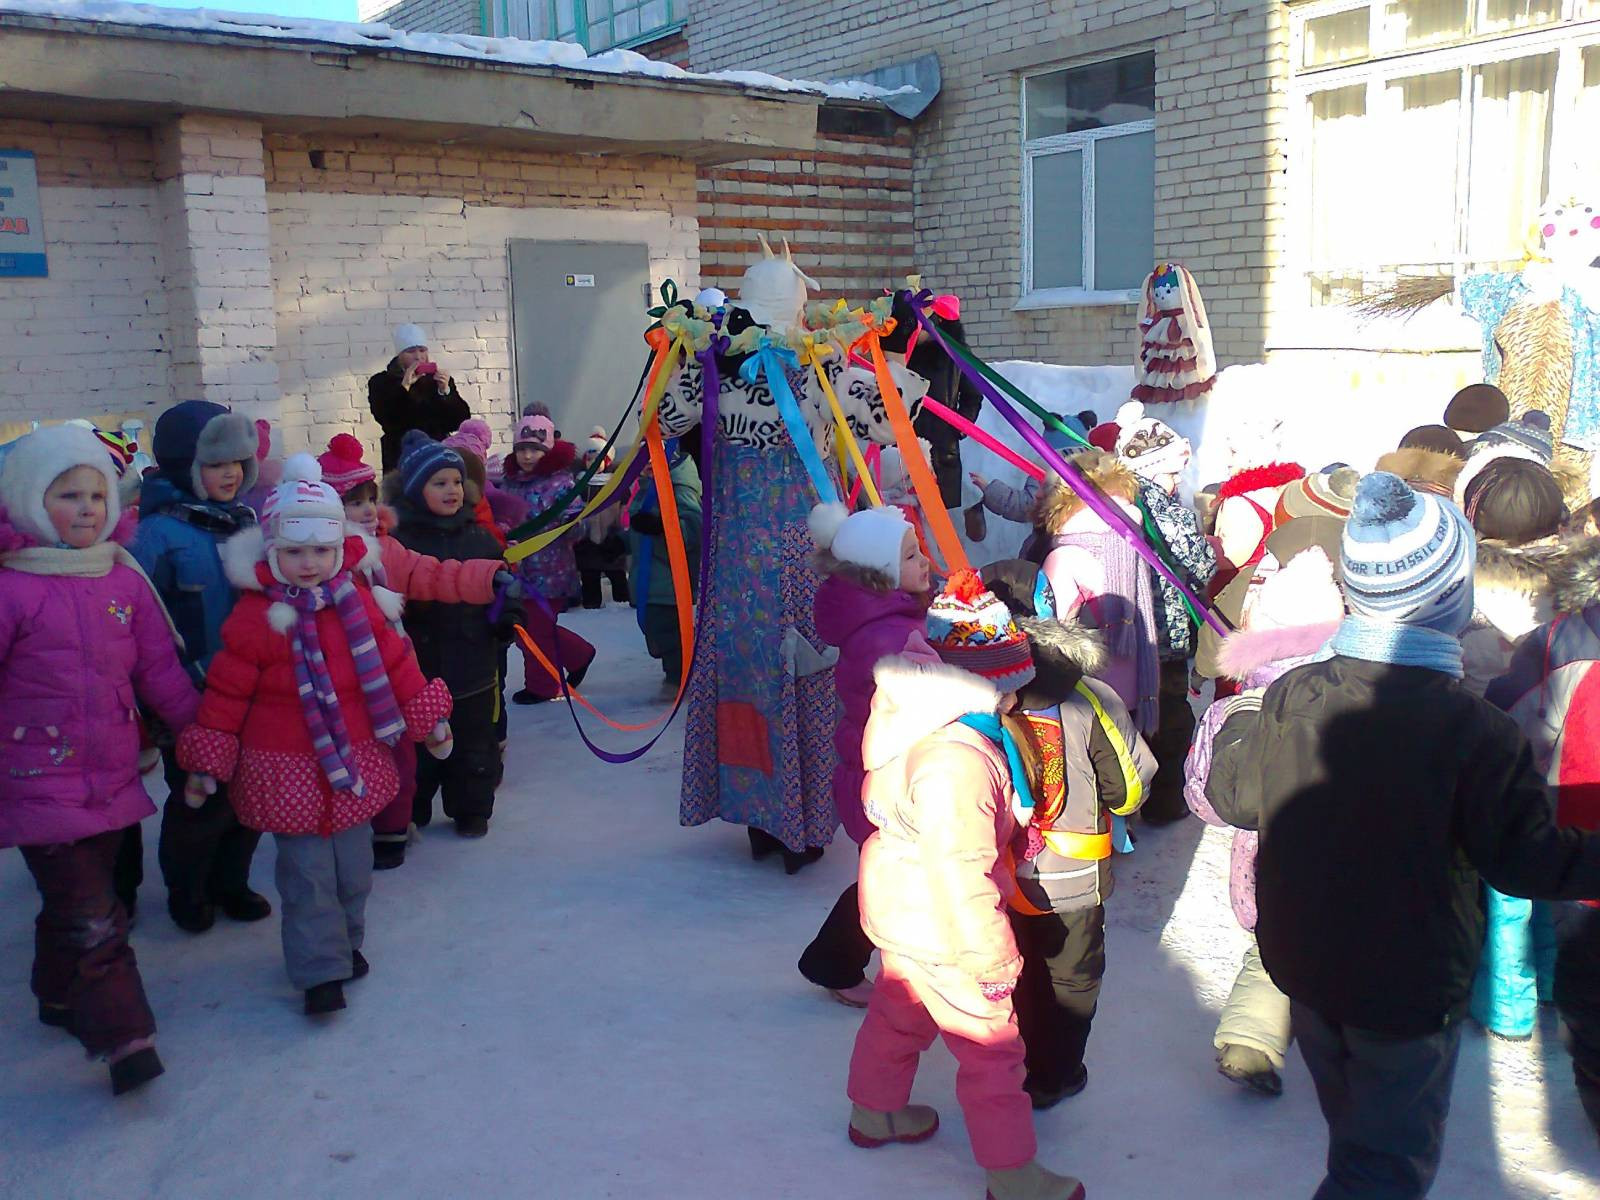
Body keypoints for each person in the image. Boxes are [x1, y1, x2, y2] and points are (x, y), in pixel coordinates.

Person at [1206, 472, 1600, 1200]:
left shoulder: (1295, 694)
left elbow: (1234, 792)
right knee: (1383, 1167)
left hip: (1309, 969)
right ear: (1454, 605)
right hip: (1408, 992)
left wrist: (1238, 725)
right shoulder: (1474, 730)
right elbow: (1525, 859)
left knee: (1357, 1128)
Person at [654, 242, 928, 870]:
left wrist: (681, 353)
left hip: (737, 558)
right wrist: (893, 352)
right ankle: (802, 817)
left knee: (750, 669)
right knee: (806, 672)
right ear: (801, 307)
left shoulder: (711, 368)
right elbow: (895, 421)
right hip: (808, 551)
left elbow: (665, 418)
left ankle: (762, 815)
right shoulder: (827, 368)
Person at [178, 456, 453, 1015]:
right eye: (295, 552)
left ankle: (346, 945)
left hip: (353, 764)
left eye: (320, 551)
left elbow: (398, 664)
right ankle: (318, 971)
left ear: (339, 550)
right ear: (273, 552)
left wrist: (428, 718)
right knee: (306, 879)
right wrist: (208, 761)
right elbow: (227, 694)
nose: (308, 564)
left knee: (353, 874)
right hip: (286, 768)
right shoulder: (257, 618)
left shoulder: (359, 606)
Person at [847, 570, 1085, 1200]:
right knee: (992, 1046)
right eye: (1012, 686)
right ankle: (1013, 1174)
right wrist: (991, 955)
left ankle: (875, 1110)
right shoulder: (959, 761)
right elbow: (960, 867)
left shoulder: (918, 719)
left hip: (904, 907)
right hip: (945, 922)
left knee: (898, 1010)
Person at [0, 425, 200, 1095]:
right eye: (67, 495)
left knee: (83, 901)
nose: (87, 508)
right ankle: (125, 1038)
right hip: (35, 778)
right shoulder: (11, 590)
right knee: (93, 913)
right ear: (29, 501)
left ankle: (57, 995)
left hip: (113, 772)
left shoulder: (122, 577)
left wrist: (196, 730)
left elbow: (158, 667)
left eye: (96, 495)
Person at [982, 558, 1154, 1111]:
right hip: (1075, 875)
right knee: (1072, 977)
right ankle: (1055, 1074)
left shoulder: (965, 692)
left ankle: (1014, 1064)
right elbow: (1128, 788)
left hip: (997, 870)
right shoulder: (1090, 696)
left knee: (1018, 969)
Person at [1184, 545, 1344, 1096]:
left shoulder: (1234, 708)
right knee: (1336, 941)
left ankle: (1250, 1042)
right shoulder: (1356, 701)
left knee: (1274, 942)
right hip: (1343, 852)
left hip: (1264, 855)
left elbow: (1205, 799)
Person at [318, 433, 510, 870]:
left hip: (418, 667)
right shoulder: (315, 562)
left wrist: (491, 579)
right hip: (357, 681)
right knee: (385, 754)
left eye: (370, 499)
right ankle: (385, 822)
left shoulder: (387, 547)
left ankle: (412, 822)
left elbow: (436, 573)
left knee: (436, 747)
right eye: (354, 502)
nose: (367, 510)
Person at [130, 400, 273, 935]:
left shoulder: (246, 520)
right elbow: (139, 622)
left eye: (238, 461)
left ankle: (230, 881)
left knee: (249, 794)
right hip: (188, 693)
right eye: (216, 464)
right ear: (185, 467)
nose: (231, 473)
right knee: (200, 798)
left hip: (253, 691)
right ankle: (187, 888)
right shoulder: (159, 534)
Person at [799, 501, 935, 1000]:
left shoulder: (892, 620)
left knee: (888, 876)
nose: (925, 561)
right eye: (912, 555)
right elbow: (923, 701)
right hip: (887, 780)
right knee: (889, 880)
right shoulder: (889, 636)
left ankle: (836, 961)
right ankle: (836, 963)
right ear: (880, 576)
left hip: (881, 773)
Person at [1490, 531, 1600, 1142]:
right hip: (1579, 832)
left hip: (1581, 833)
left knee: (1587, 966)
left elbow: (1513, 715)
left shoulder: (1562, 638)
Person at [389, 432, 516, 837]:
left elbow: (503, 582)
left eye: (457, 482)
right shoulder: (400, 543)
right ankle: (416, 804)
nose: (452, 490)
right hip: (420, 666)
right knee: (419, 743)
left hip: (475, 661)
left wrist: (508, 615)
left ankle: (471, 807)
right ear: (415, 491)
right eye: (439, 483)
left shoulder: (480, 537)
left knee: (474, 741)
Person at [1114, 402, 1215, 824]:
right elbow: (1198, 561)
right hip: (1165, 633)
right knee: (1171, 716)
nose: (1178, 482)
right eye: (1174, 473)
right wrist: (1211, 548)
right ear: (1155, 470)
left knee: (1134, 712)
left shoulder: (1116, 499)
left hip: (1130, 627)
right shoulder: (1164, 507)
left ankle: (1129, 798)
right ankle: (1166, 801)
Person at [1038, 449, 1160, 736]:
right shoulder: (1134, 541)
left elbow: (1055, 631)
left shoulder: (1066, 555)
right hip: (1137, 692)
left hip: (1090, 700)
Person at [501, 413, 596, 704]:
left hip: (552, 572)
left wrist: (572, 525)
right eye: (522, 449)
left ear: (548, 451)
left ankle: (542, 686)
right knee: (525, 630)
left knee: (535, 631)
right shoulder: (510, 482)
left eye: (535, 450)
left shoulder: (561, 484)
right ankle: (578, 654)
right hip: (519, 571)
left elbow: (577, 522)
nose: (528, 456)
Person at [627, 438, 702, 692]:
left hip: (670, 583)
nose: (648, 462)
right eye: (644, 455)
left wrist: (661, 527)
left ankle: (680, 679)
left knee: (669, 634)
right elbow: (638, 530)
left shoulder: (680, 486)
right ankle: (677, 672)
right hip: (650, 580)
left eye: (655, 454)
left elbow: (693, 528)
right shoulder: (647, 486)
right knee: (657, 632)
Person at [368, 323, 471, 472]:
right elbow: (387, 420)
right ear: (399, 355)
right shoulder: (381, 382)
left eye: (422, 350)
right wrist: (404, 388)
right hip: (400, 457)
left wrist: (445, 392)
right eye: (411, 351)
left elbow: (458, 422)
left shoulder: (438, 380)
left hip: (438, 455)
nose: (418, 357)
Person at [575, 426, 631, 609]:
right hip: (587, 539)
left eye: (598, 459)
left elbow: (625, 510)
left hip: (611, 537)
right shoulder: (579, 485)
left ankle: (622, 605)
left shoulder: (615, 484)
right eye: (589, 459)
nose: (593, 463)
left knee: (617, 575)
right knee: (589, 575)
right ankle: (591, 606)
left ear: (606, 462)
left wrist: (620, 531)